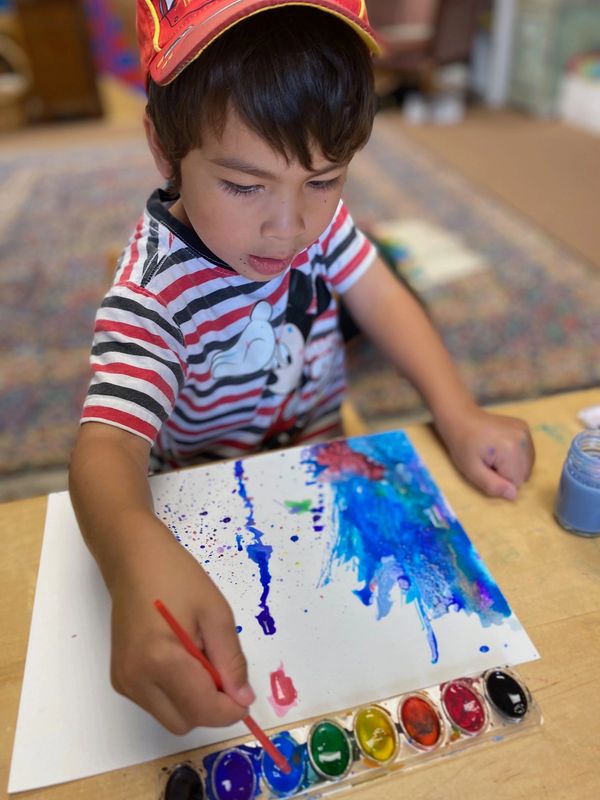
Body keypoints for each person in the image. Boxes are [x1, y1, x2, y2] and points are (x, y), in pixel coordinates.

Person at [69, 0, 535, 737]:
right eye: (246, 186)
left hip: (318, 455)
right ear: (164, 150)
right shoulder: (149, 295)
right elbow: (107, 445)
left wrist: (458, 410)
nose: (290, 227)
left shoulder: (317, 224)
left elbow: (380, 293)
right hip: (206, 495)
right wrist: (132, 559)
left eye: (324, 180)